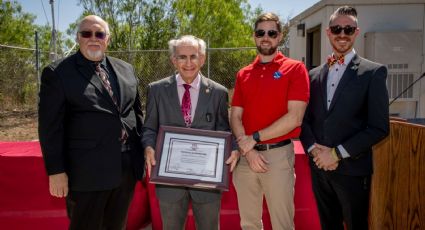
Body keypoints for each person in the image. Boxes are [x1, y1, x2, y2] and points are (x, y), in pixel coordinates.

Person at [38, 15, 144, 230]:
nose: (93, 38)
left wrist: (142, 152)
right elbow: (50, 127)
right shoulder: (58, 73)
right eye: (86, 33)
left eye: (99, 34)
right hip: (87, 173)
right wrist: (56, 171)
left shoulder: (126, 69)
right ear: (78, 37)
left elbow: (136, 113)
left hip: (125, 169)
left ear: (108, 39)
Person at [300, 6, 390, 230]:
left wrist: (336, 154)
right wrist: (315, 151)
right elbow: (304, 120)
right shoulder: (312, 75)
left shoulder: (373, 73)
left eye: (348, 29)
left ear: (356, 32)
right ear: (328, 32)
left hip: (352, 171)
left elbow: (379, 128)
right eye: (337, 28)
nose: (342, 34)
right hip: (319, 169)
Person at [142, 35, 239, 230]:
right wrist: (148, 147)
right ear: (173, 60)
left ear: (202, 59)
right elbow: (149, 128)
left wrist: (234, 148)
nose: (188, 63)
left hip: (207, 182)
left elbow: (224, 130)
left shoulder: (218, 92)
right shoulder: (156, 90)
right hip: (169, 181)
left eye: (193, 56)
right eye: (182, 57)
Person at [230, 12, 310, 230]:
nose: (266, 37)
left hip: (277, 157)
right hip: (246, 158)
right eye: (260, 32)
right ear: (254, 37)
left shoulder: (295, 69)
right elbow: (235, 115)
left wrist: (254, 138)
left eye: (271, 33)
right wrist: (248, 148)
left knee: (282, 224)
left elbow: (295, 118)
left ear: (280, 36)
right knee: (249, 224)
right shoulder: (243, 73)